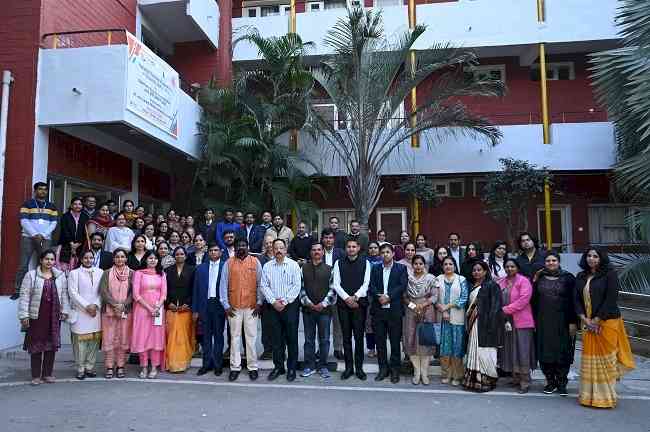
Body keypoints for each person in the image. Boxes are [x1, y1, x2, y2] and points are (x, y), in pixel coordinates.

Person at [574, 248, 635, 408]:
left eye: (595, 256)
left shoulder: (610, 274)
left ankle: (606, 398)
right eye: (589, 256)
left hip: (607, 322)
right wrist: (584, 319)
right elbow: (575, 300)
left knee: (606, 361)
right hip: (587, 323)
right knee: (590, 361)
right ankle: (588, 397)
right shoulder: (581, 276)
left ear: (601, 258)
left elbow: (611, 299)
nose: (591, 259)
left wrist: (596, 320)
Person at [17, 249, 69, 385]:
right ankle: (35, 376)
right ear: (41, 260)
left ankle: (47, 374)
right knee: (36, 345)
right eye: (47, 259)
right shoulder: (31, 275)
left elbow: (64, 294)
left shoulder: (59, 276)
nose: (49, 262)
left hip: (53, 316)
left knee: (51, 345)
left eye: (52, 259)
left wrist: (65, 310)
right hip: (37, 317)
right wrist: (24, 315)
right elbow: (24, 296)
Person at [532, 252, 577, 396]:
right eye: (548, 260)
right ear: (544, 263)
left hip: (563, 321)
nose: (551, 263)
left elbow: (574, 301)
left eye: (554, 260)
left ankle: (562, 383)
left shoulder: (568, 278)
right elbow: (533, 299)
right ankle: (550, 382)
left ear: (558, 262)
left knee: (563, 351)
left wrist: (573, 322)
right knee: (545, 352)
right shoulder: (539, 277)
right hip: (543, 321)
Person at [221, 238, 263, 381]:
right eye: (239, 245)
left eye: (244, 245)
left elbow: (260, 283)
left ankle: (252, 367)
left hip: (251, 307)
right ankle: (235, 367)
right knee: (235, 338)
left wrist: (259, 302)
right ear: (235, 247)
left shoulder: (255, 262)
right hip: (234, 307)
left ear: (248, 246)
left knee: (251, 338)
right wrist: (225, 305)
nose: (241, 247)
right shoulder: (229, 263)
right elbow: (223, 285)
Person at [260, 239, 302, 382]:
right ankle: (278, 367)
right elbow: (264, 286)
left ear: (285, 249)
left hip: (289, 306)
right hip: (273, 307)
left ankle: (291, 368)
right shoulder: (267, 266)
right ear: (272, 249)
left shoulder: (294, 265)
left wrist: (283, 301)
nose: (278, 250)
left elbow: (297, 286)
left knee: (291, 339)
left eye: (281, 248)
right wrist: (273, 302)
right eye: (276, 248)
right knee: (276, 339)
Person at [331, 238, 371, 380]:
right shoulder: (338, 263)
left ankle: (359, 368)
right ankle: (348, 368)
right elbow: (336, 284)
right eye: (349, 247)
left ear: (358, 248)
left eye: (354, 246)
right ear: (345, 248)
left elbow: (366, 283)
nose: (351, 249)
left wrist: (355, 297)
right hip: (343, 305)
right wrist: (347, 299)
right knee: (346, 337)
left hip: (359, 305)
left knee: (359, 338)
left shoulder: (366, 263)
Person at [368, 243, 408, 384]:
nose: (385, 254)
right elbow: (370, 285)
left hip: (394, 310)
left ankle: (395, 370)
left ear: (393, 254)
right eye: (382, 252)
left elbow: (402, 286)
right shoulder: (375, 268)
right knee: (380, 342)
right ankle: (383, 369)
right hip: (378, 310)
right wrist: (379, 297)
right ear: (380, 255)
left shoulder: (401, 268)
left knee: (395, 342)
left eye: (387, 252)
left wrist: (389, 297)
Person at [463, 261, 503, 393]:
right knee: (475, 350)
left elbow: (496, 307)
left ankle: (488, 380)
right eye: (474, 270)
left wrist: (491, 325)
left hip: (486, 326)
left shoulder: (492, 286)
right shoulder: (472, 286)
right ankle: (473, 381)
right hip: (474, 325)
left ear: (485, 271)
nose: (476, 272)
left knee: (486, 353)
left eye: (479, 270)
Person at [14, 182, 59, 300]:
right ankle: (18, 290)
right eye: (40, 189)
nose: (43, 191)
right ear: (35, 191)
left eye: (45, 189)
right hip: (28, 237)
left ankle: (43, 289)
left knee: (46, 264)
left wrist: (43, 234)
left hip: (45, 238)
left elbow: (53, 223)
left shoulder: (52, 206)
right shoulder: (27, 204)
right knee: (23, 264)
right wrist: (34, 234)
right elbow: (24, 221)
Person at [498, 258, 536, 394]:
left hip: (522, 321)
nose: (509, 269)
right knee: (510, 349)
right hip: (506, 322)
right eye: (507, 267)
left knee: (522, 350)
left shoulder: (524, 281)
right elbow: (497, 297)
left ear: (517, 268)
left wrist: (505, 309)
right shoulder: (501, 281)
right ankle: (516, 377)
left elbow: (524, 300)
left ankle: (525, 380)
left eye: (512, 266)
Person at [300, 242, 336, 379]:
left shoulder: (329, 269)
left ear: (322, 252)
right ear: (310, 252)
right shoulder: (303, 268)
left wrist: (323, 304)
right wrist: (309, 303)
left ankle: (323, 366)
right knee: (309, 340)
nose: (316, 252)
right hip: (308, 310)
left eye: (319, 250)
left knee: (324, 340)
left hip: (324, 311)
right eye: (314, 250)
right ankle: (309, 366)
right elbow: (301, 288)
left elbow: (333, 289)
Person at [401, 254, 438, 385]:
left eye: (420, 264)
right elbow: (404, 297)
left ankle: (424, 372)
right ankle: (416, 372)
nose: (418, 266)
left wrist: (422, 305)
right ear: (412, 265)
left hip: (427, 311)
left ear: (425, 265)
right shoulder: (407, 279)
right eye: (415, 264)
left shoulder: (431, 278)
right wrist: (413, 306)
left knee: (425, 341)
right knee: (411, 340)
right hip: (411, 311)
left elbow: (434, 296)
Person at [192, 242, 228, 376]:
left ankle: (218, 365)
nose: (213, 252)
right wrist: (195, 309)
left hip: (219, 305)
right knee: (206, 337)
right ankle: (206, 364)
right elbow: (195, 289)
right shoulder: (201, 268)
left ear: (221, 252)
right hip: (204, 305)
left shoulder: (226, 266)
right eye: (211, 250)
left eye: (216, 250)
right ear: (208, 252)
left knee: (218, 336)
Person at [67, 250, 103, 380]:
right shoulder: (74, 273)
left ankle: (89, 367)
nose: (88, 260)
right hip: (81, 311)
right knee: (80, 343)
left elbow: (102, 291)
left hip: (96, 312)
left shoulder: (100, 272)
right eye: (85, 257)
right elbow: (73, 293)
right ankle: (80, 368)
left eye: (91, 257)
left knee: (94, 341)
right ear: (81, 259)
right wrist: (87, 306)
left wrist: (96, 305)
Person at [131, 251, 167, 379]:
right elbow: (136, 295)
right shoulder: (139, 273)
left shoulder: (161, 274)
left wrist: (157, 306)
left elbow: (164, 294)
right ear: (146, 259)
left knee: (156, 338)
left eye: (155, 258)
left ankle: (154, 367)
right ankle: (144, 367)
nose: (153, 260)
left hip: (157, 310)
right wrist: (149, 308)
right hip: (142, 309)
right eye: (150, 258)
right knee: (143, 338)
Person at [100, 248, 134, 379]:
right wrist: (115, 305)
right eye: (117, 257)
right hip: (109, 311)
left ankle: (120, 366)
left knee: (123, 338)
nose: (120, 259)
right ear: (113, 259)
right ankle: (109, 366)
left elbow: (133, 292)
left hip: (126, 311)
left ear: (126, 258)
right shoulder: (106, 273)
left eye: (122, 257)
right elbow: (103, 291)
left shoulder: (132, 273)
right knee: (109, 339)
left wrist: (123, 304)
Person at [435, 256, 468, 386]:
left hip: (458, 317)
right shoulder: (438, 279)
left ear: (455, 266)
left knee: (457, 346)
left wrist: (447, 307)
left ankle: (457, 375)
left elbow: (464, 298)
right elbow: (435, 298)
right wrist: (443, 311)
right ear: (442, 266)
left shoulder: (462, 279)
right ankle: (446, 374)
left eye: (450, 264)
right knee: (445, 346)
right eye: (445, 264)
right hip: (443, 318)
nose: (448, 266)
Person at [165, 246, 195, 373]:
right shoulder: (167, 271)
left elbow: (194, 289)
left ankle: (183, 363)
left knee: (184, 336)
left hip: (186, 308)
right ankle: (171, 363)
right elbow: (164, 290)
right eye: (177, 254)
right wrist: (168, 304)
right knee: (171, 335)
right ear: (174, 256)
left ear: (186, 256)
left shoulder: (192, 270)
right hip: (171, 308)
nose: (179, 256)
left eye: (182, 254)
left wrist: (188, 304)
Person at [321, 228, 346, 360]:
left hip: (337, 294)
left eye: (330, 237)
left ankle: (338, 348)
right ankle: (322, 349)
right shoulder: (317, 252)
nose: (328, 240)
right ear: (322, 239)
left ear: (334, 239)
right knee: (323, 324)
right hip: (322, 294)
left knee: (338, 324)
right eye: (326, 237)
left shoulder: (341, 253)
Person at [257, 235, 276, 360]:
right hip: (265, 298)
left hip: (279, 298)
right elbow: (258, 281)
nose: (269, 245)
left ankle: (280, 350)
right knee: (266, 326)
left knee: (279, 326)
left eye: (271, 242)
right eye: (267, 243)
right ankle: (267, 350)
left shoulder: (282, 257)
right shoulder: (260, 259)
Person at [58, 197, 89, 271]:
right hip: (66, 245)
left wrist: (78, 244)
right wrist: (72, 244)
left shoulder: (85, 217)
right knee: (64, 267)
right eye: (75, 204)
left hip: (80, 246)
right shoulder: (65, 216)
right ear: (71, 205)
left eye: (79, 204)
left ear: (82, 206)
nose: (77, 206)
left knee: (78, 266)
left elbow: (85, 233)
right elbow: (65, 231)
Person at [364, 241, 381, 358]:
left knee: (380, 323)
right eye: (371, 248)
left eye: (375, 248)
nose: (373, 250)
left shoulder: (383, 261)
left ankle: (380, 347)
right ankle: (371, 348)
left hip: (381, 295)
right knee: (369, 323)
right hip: (368, 295)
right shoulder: (364, 261)